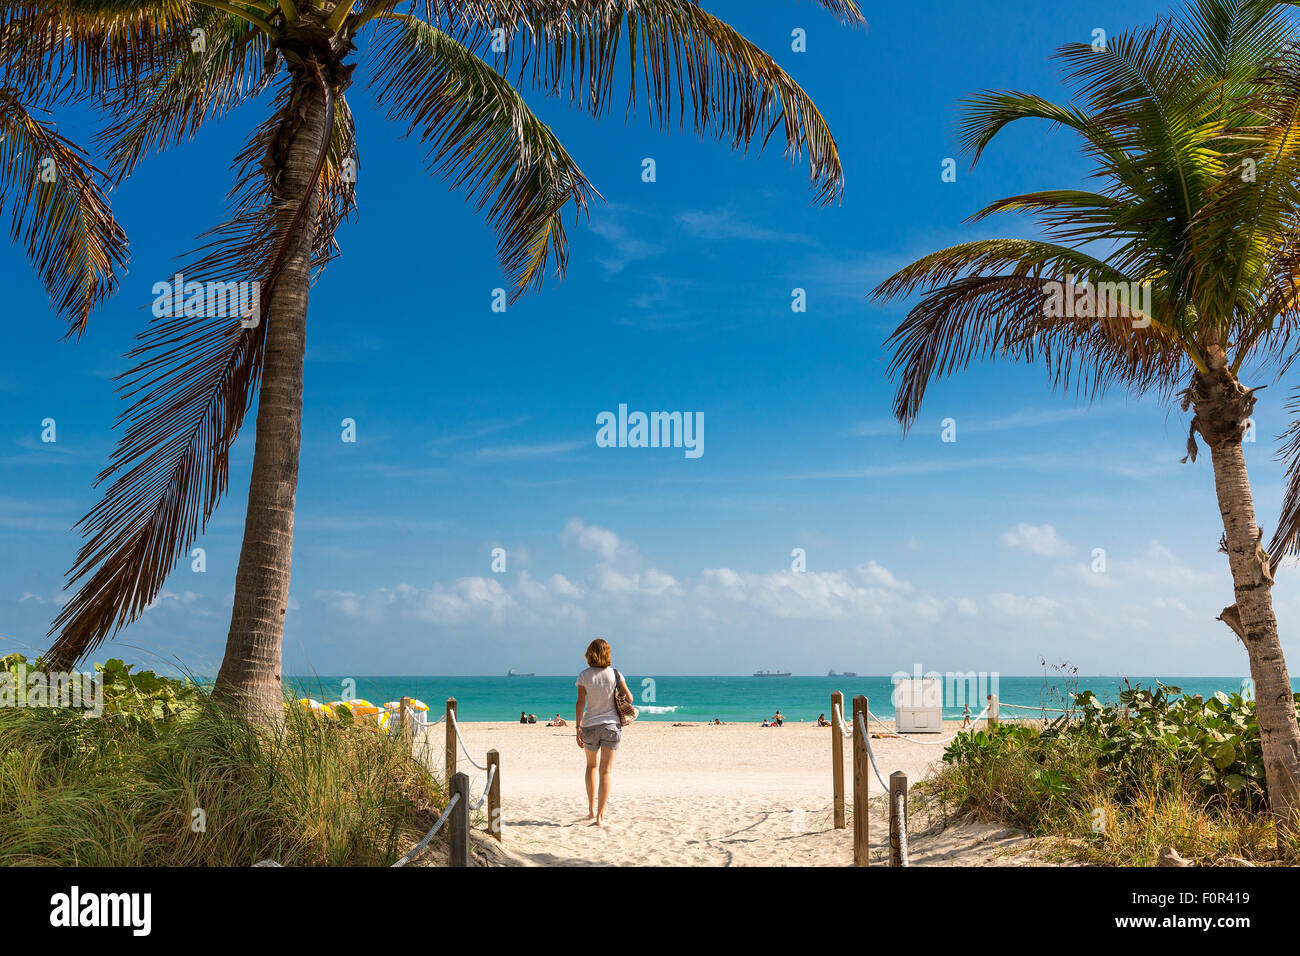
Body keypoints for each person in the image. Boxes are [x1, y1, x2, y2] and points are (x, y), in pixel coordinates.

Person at [575, 638, 632, 826]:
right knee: (605, 771)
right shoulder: (615, 674)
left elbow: (580, 703)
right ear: (608, 653)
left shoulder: (584, 675)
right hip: (611, 726)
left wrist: (577, 727)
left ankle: (591, 810)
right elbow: (630, 698)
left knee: (591, 766)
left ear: (589, 653)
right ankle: (600, 816)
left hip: (590, 725)